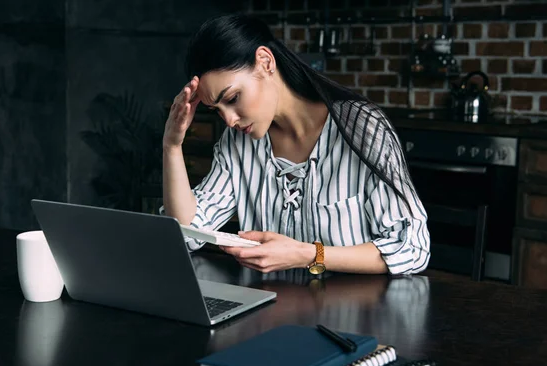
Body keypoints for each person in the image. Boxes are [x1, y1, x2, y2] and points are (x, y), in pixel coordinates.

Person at [160, 14, 430, 275]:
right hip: (270, 312)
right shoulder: (237, 143)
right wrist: (172, 146)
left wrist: (310, 255)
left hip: (350, 315)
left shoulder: (361, 128)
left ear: (265, 62)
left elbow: (412, 247)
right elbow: (187, 235)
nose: (229, 120)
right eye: (217, 110)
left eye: (232, 98)